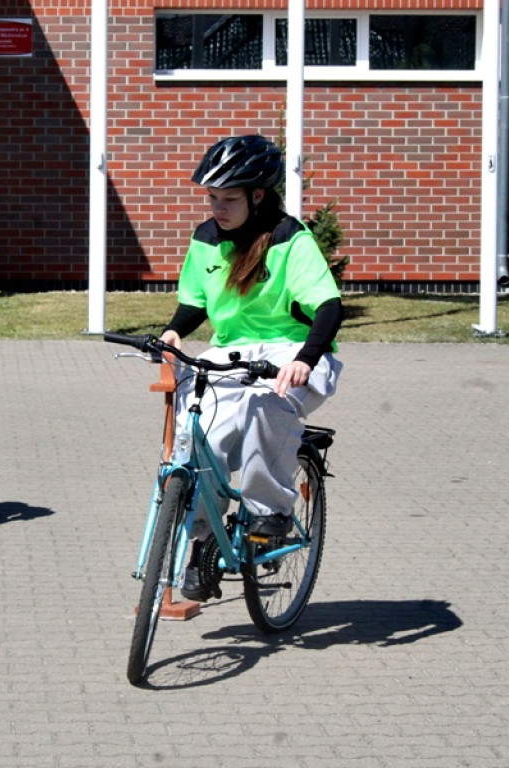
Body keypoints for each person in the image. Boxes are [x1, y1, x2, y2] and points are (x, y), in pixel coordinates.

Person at [158, 135, 344, 601]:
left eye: (229, 199)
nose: (217, 208)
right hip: (232, 352)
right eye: (212, 198)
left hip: (291, 349)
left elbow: (329, 307)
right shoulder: (206, 239)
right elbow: (195, 302)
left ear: (258, 195)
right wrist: (174, 331)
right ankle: (203, 540)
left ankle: (270, 513)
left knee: (267, 407)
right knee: (198, 434)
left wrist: (305, 360)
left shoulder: (289, 238)